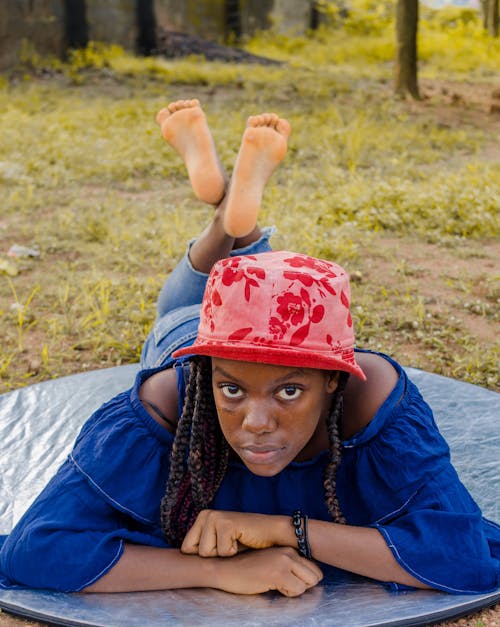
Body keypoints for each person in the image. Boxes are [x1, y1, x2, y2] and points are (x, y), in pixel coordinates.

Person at [0, 99, 498, 597]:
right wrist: (219, 572)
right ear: (206, 375)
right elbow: (35, 548)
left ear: (333, 379)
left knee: (247, 291)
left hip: (248, 334)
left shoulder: (373, 397)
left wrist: (289, 530)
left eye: (288, 393)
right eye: (232, 390)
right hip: (193, 332)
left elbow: (465, 556)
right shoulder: (170, 397)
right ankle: (232, 221)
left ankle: (230, 215)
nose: (255, 422)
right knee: (178, 314)